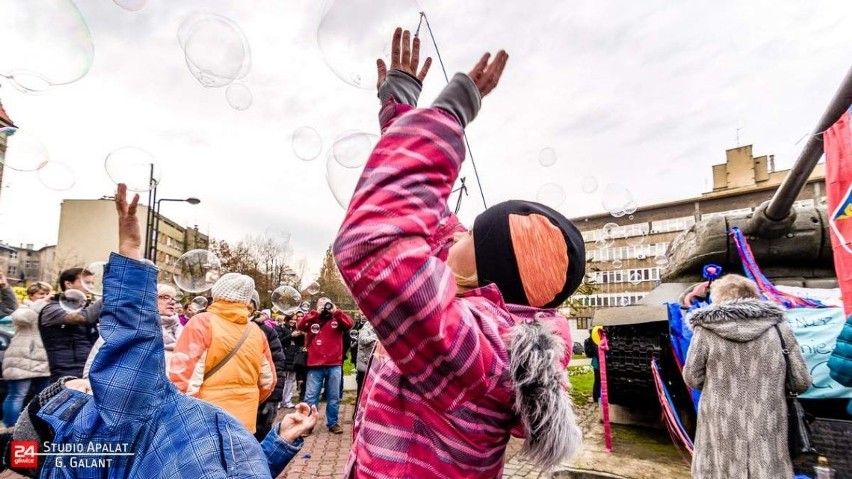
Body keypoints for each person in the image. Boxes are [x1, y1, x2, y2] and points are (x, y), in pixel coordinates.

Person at [333, 28, 584, 476]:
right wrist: (402, 113)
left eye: (470, 238)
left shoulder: (477, 349)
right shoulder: (489, 325)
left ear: (489, 271)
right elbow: (431, 222)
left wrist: (448, 115)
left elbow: (376, 243)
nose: (456, 234)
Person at [0, 184, 317, 478]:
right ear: (74, 421)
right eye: (86, 387)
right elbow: (133, 339)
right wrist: (130, 253)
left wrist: (278, 442)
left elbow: (235, 466)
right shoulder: (128, 415)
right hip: (239, 414)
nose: (96, 381)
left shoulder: (126, 445)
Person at [683, 274, 811, 479]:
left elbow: (692, 377)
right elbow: (801, 381)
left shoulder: (705, 330)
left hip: (720, 426)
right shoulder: (779, 328)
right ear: (754, 296)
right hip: (768, 426)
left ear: (718, 298)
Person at [169, 273, 277, 433]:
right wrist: (246, 400)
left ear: (217, 293)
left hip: (206, 419)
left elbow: (183, 378)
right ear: (246, 299)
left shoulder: (202, 322)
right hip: (245, 422)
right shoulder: (256, 331)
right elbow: (268, 382)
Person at [82, 283, 183, 378]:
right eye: (165, 297)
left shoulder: (183, 332)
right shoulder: (123, 327)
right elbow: (92, 367)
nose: (173, 302)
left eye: (174, 299)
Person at [297, 297, 354, 434]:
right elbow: (300, 326)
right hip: (314, 364)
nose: (325, 307)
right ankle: (308, 424)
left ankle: (333, 423)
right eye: (321, 305)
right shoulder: (313, 319)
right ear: (317, 307)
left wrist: (336, 311)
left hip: (334, 364)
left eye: (327, 304)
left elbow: (349, 324)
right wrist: (315, 313)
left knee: (334, 396)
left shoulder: (337, 319)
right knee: (311, 396)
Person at [38, 267, 102, 382]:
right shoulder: (51, 309)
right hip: (65, 374)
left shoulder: (88, 308)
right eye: (86, 282)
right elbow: (82, 317)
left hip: (88, 370)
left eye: (92, 283)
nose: (91, 287)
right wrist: (109, 296)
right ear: (68, 284)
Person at [2, 281, 52, 426]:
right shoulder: (23, 307)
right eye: (40, 294)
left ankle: (37, 427)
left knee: (43, 396)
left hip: (43, 360)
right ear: (31, 295)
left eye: (46, 294)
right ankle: (10, 428)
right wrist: (40, 304)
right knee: (17, 395)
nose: (44, 297)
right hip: (22, 358)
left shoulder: (48, 310)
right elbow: (21, 318)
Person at [249, 290, 287, 441]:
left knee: (259, 441)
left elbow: (277, 364)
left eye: (249, 301)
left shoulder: (266, 331)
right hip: (233, 398)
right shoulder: (220, 328)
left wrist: (273, 399)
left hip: (261, 396)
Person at [277, 313, 304, 408]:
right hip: (283, 356)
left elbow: (301, 344)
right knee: (282, 380)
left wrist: (301, 335)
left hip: (294, 357)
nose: (293, 321)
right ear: (287, 319)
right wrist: (291, 336)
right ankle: (279, 400)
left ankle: (287, 400)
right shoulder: (280, 328)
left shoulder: (297, 329)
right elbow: (279, 341)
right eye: (291, 319)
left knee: (291, 380)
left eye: (295, 319)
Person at [354, 320, 376, 408]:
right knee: (361, 391)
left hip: (375, 365)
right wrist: (378, 335)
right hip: (364, 366)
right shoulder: (366, 326)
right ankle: (357, 414)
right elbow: (363, 340)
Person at [583, 332, 600, 402]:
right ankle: (597, 397)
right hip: (598, 361)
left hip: (596, 361)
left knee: (597, 380)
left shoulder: (593, 335)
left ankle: (596, 397)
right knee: (598, 380)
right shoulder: (596, 336)